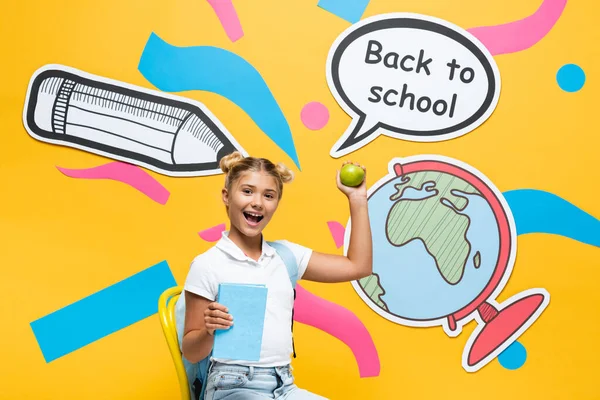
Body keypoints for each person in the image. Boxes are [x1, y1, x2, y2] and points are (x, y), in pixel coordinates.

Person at [181, 151, 372, 399]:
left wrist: (358, 199)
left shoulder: (286, 256)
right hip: (231, 385)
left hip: (284, 385)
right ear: (227, 196)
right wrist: (209, 330)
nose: (258, 202)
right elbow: (191, 352)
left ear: (276, 204)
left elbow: (358, 266)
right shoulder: (208, 264)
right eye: (247, 191)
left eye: (268, 196)